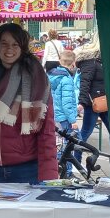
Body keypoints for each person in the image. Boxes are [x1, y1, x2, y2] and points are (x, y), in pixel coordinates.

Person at [0, 23, 58, 183]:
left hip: (25, 168)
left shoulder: (37, 79)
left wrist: (49, 175)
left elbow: (47, 130)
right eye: (4, 44)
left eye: (15, 44)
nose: (9, 49)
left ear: (22, 48)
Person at [48, 50, 79, 178]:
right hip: (65, 118)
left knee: (60, 144)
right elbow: (66, 103)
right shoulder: (66, 79)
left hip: (55, 116)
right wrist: (73, 120)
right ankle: (67, 172)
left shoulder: (51, 75)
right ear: (73, 64)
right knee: (71, 144)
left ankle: (59, 170)